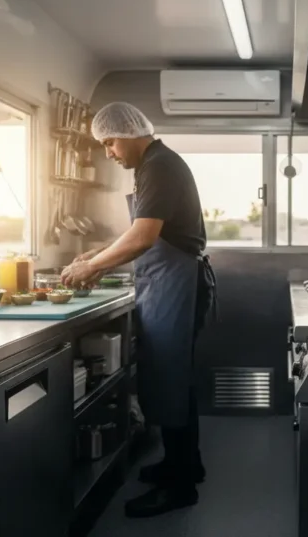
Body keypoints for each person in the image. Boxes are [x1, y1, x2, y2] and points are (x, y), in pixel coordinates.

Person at [62, 102, 216, 518]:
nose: (108, 153)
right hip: (171, 283)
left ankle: (181, 488)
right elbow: (138, 231)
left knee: (170, 379)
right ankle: (183, 465)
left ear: (129, 133)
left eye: (109, 142)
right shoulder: (153, 166)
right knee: (174, 381)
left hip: (178, 284)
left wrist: (91, 266)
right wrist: (96, 253)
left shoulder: (160, 166)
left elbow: (144, 237)